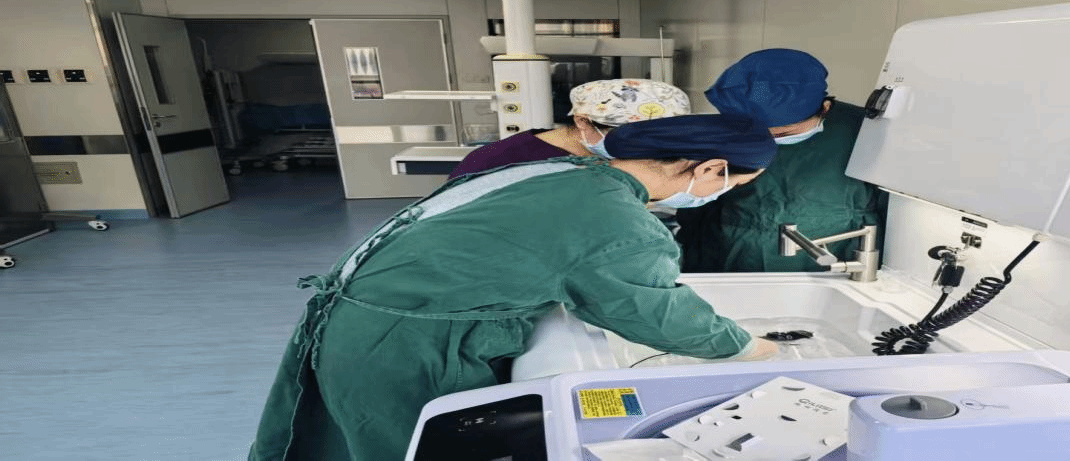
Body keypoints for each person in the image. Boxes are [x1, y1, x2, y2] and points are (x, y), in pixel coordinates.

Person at [249, 114, 781, 461]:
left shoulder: (564, 171)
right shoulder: (612, 217)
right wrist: (749, 348)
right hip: (409, 347)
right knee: (409, 449)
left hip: (367, 322)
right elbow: (653, 311)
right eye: (730, 184)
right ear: (710, 168)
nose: (720, 193)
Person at [675, 49, 887, 272]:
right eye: (759, 133)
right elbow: (694, 202)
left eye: (784, 133)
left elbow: (890, 209)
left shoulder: (867, 131)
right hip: (732, 254)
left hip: (833, 256)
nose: (771, 140)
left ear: (824, 108)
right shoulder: (725, 129)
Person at [448, 78, 690, 178]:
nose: (647, 147)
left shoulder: (606, 159)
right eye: (632, 136)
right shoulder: (496, 162)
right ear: (582, 121)